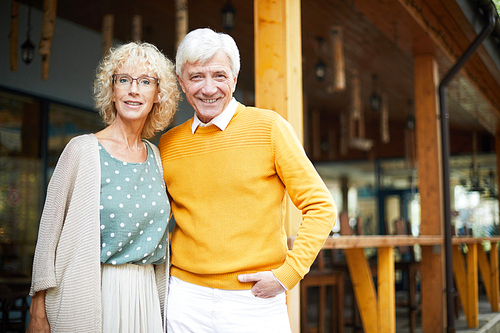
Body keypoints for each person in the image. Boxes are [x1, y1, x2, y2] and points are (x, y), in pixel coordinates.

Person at [159, 28, 337, 332]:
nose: (208, 88)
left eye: (219, 75)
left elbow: (321, 207)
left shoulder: (269, 127)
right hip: (185, 298)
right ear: (181, 82)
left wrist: (289, 273)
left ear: (235, 79)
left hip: (254, 299)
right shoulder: (168, 144)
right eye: (196, 77)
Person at [26, 41, 179, 333]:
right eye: (124, 80)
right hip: (90, 293)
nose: (134, 89)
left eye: (145, 81)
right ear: (112, 90)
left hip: (145, 296)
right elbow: (49, 235)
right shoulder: (82, 150)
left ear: (159, 94)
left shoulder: (157, 158)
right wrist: (37, 307)